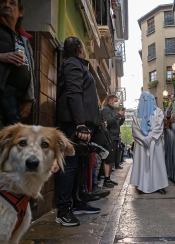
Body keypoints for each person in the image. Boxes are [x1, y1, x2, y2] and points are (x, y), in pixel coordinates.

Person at [56, 37, 102, 227]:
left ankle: (77, 203)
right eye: (84, 47)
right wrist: (80, 124)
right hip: (74, 124)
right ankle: (64, 211)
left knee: (79, 164)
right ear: (80, 49)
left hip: (80, 124)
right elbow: (74, 93)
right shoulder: (73, 64)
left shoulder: (77, 65)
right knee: (71, 165)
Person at [0, 0, 35, 139]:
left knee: (12, 139)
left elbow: (30, 70)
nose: (7, 5)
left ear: (21, 12)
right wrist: (1, 57)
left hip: (15, 98)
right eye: (3, 1)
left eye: (12, 3)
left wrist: (29, 99)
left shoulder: (24, 39)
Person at [130, 92, 168, 194]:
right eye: (144, 99)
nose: (146, 101)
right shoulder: (136, 113)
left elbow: (160, 126)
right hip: (141, 142)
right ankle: (141, 185)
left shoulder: (158, 111)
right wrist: (143, 138)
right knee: (142, 163)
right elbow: (134, 128)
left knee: (157, 163)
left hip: (154, 141)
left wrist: (150, 137)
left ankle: (159, 185)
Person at [101, 95, 125, 188]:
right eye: (116, 101)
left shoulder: (112, 111)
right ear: (110, 102)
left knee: (112, 160)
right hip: (109, 137)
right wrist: (118, 115)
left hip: (114, 138)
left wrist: (122, 117)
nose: (117, 103)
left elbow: (117, 123)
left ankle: (109, 178)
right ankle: (106, 180)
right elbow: (108, 122)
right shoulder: (106, 110)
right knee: (108, 159)